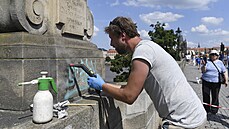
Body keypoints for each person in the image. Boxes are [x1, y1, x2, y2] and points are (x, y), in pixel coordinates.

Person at [87, 16, 206, 128]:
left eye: (112, 38)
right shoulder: (149, 46)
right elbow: (132, 87)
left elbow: (129, 96)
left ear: (123, 36)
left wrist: (102, 86)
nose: (111, 44)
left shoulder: (142, 52)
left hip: (184, 122)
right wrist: (106, 86)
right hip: (194, 116)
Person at [201, 50, 228, 114]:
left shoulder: (220, 62)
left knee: (215, 96)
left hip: (216, 82)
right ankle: (206, 109)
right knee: (206, 95)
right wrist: (204, 65)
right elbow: (203, 71)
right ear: (210, 55)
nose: (213, 56)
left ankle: (214, 110)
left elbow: (224, 71)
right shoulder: (207, 62)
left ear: (217, 56)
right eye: (212, 54)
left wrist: (226, 80)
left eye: (215, 54)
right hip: (206, 81)